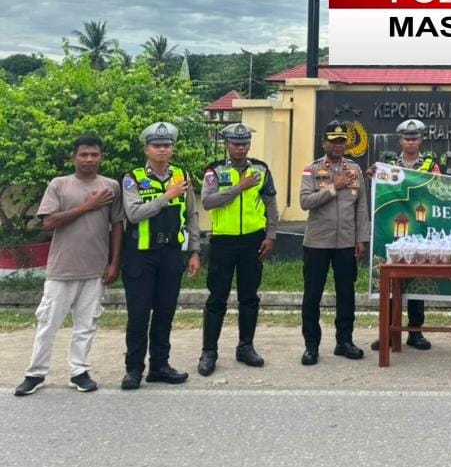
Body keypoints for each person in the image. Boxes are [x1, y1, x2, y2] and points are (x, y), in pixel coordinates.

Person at [14, 135, 123, 397]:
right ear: (74, 157)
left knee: (86, 325)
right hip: (62, 269)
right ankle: (35, 373)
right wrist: (88, 205)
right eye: (83, 154)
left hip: (95, 269)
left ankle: (79, 371)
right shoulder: (59, 185)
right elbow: (49, 223)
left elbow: (117, 225)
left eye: (94, 155)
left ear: (101, 157)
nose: (89, 159)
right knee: (48, 323)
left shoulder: (111, 186)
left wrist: (114, 263)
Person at [119, 121, 201, 390]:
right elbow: (133, 214)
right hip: (141, 256)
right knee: (139, 315)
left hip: (171, 254)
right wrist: (167, 196)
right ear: (146, 149)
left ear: (172, 148)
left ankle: (160, 366)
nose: (162, 150)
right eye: (156, 145)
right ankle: (134, 369)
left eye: (167, 145)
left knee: (165, 313)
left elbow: (191, 214)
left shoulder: (181, 175)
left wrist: (195, 251)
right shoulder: (132, 179)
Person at [196, 123, 279, 377]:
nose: (240, 148)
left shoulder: (260, 169)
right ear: (227, 145)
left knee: (249, 297)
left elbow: (271, 204)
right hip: (223, 241)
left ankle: (246, 347)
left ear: (249, 145)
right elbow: (208, 202)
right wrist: (238, 188)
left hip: (253, 241)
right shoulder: (215, 171)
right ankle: (209, 351)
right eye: (235, 144)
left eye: (244, 144)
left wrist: (271, 235)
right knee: (217, 298)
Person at [298, 120, 368, 365]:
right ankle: (311, 346)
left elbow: (361, 206)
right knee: (312, 295)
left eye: (341, 141)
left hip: (346, 243)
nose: (337, 145)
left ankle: (344, 341)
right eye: (333, 141)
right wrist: (333, 188)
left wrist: (361, 239)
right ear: (323, 143)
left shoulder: (355, 170)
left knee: (346, 294)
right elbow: (305, 202)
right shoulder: (312, 170)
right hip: (318, 242)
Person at [370, 118, 438, 353]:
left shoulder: (431, 165)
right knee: (391, 283)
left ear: (421, 141)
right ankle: (388, 332)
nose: (411, 142)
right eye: (407, 138)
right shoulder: (388, 165)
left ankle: (415, 332)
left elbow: (437, 192)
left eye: (415, 138)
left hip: (420, 229)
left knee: (418, 281)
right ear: (400, 141)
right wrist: (373, 177)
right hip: (392, 231)